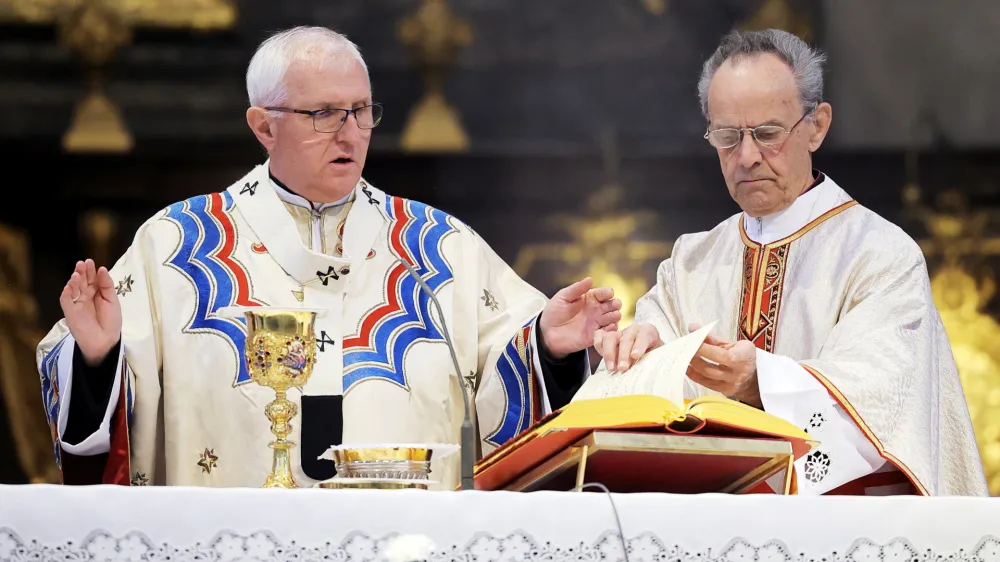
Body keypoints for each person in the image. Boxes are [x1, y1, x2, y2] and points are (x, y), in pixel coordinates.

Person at [36, 26, 622, 490]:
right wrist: (96, 355)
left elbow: (508, 401)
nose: (350, 133)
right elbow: (99, 431)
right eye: (323, 114)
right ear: (263, 126)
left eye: (362, 111)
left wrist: (545, 343)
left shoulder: (438, 245)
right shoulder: (177, 243)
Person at [593, 29, 987, 496]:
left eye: (767, 133)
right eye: (726, 136)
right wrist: (639, 356)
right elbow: (632, 409)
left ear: (817, 126)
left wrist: (762, 381)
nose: (746, 157)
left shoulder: (881, 255)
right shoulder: (689, 264)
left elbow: (884, 401)